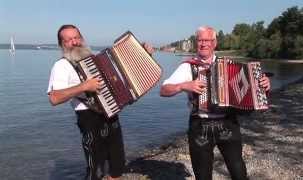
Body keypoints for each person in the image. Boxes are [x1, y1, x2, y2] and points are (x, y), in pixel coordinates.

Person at [160, 26, 270, 180]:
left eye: (207, 40)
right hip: (200, 126)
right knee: (203, 175)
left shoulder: (229, 64)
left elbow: (252, 86)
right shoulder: (187, 66)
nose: (203, 44)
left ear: (214, 43)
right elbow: (164, 90)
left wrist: (263, 84)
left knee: (239, 172)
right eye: (200, 40)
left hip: (228, 123)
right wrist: (183, 85)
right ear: (195, 42)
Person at [47, 24, 154, 180]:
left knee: (117, 166)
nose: (75, 42)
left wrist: (143, 54)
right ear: (62, 44)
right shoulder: (61, 66)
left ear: (82, 38)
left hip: (111, 115)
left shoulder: (95, 58)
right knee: (96, 170)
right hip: (88, 118)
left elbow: (123, 74)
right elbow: (54, 98)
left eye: (77, 37)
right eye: (69, 39)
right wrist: (84, 86)